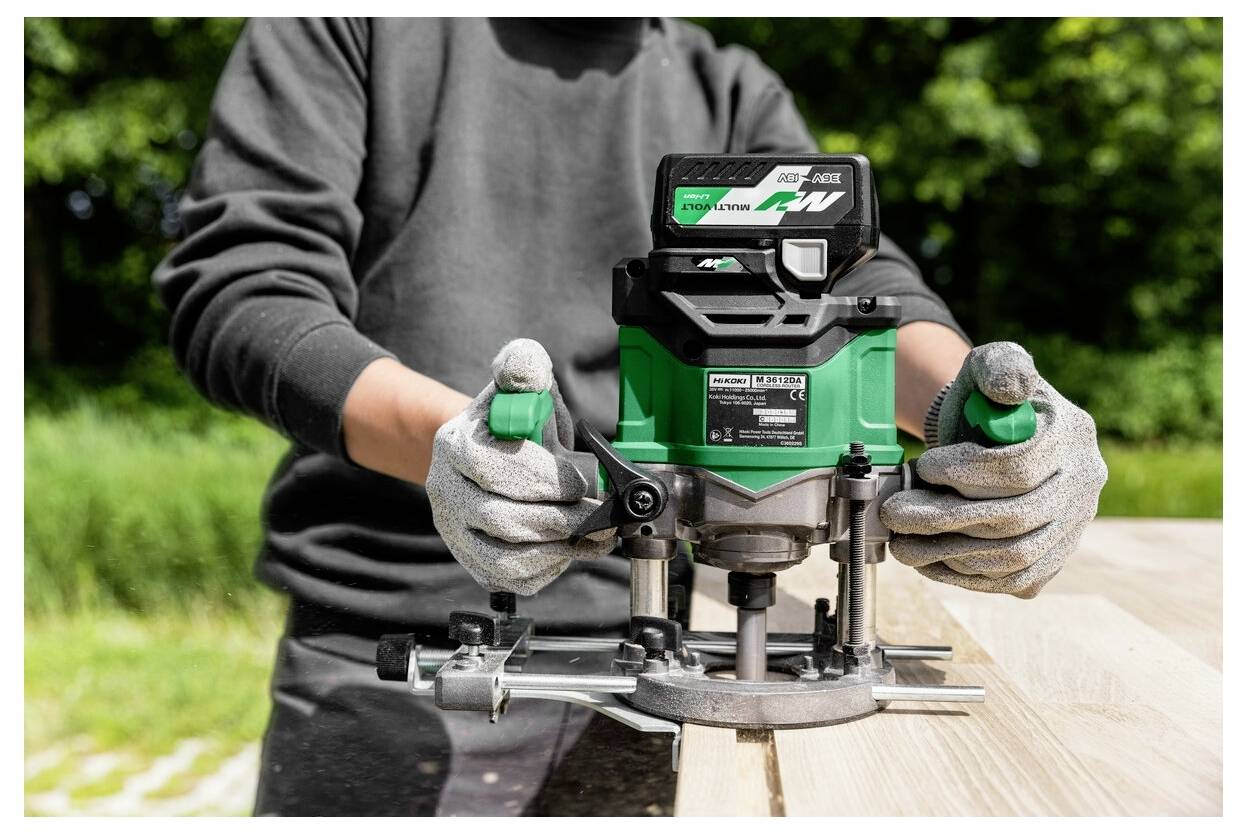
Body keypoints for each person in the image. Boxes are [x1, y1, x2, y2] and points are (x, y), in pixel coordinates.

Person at [153, 18, 1107, 817]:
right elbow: (248, 290)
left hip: (671, 639)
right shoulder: (354, 26)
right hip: (400, 653)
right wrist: (471, 450)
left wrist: (965, 418)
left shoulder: (723, 86)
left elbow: (854, 281)